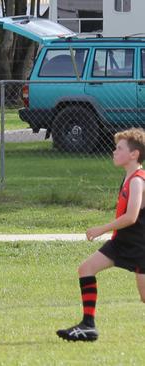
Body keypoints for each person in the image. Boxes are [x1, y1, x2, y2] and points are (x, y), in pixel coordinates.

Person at [56, 128, 145, 342]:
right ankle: (88, 325)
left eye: (119, 148)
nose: (114, 152)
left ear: (134, 154)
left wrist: (101, 229)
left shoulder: (137, 180)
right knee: (86, 269)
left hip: (140, 246)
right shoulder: (128, 177)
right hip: (121, 242)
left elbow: (132, 217)